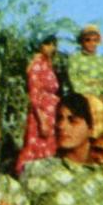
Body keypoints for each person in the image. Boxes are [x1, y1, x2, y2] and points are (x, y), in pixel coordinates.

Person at [17, 32, 62, 174]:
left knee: (49, 147)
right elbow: (34, 93)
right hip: (41, 113)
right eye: (47, 44)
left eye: (54, 45)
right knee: (35, 147)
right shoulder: (36, 64)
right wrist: (41, 119)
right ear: (40, 46)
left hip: (52, 111)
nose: (51, 48)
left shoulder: (48, 65)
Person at [67, 24, 103, 107]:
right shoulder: (75, 58)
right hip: (82, 98)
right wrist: (91, 92)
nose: (91, 43)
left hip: (101, 97)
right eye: (88, 40)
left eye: (95, 40)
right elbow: (73, 81)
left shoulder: (102, 60)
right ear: (82, 42)